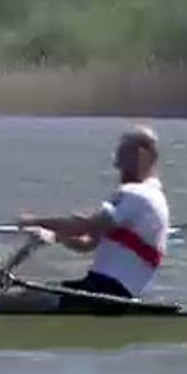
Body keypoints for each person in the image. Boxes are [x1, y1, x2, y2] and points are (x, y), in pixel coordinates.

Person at [16, 125, 170, 302]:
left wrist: (33, 221)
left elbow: (86, 225)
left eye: (122, 156)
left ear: (142, 156)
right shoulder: (151, 197)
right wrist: (54, 235)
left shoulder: (138, 194)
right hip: (102, 289)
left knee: (7, 300)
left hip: (107, 293)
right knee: (21, 294)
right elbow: (87, 243)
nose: (117, 164)